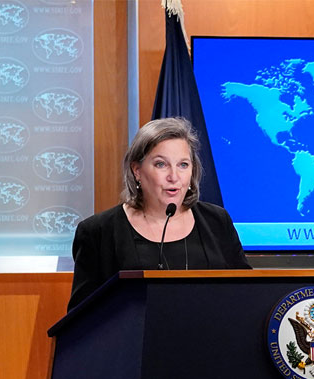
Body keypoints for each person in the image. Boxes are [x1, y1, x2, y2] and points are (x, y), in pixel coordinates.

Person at [67, 117, 251, 310]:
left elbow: (246, 295)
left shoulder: (217, 221)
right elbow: (82, 317)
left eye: (183, 165)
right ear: (137, 171)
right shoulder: (98, 232)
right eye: (161, 164)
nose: (174, 176)